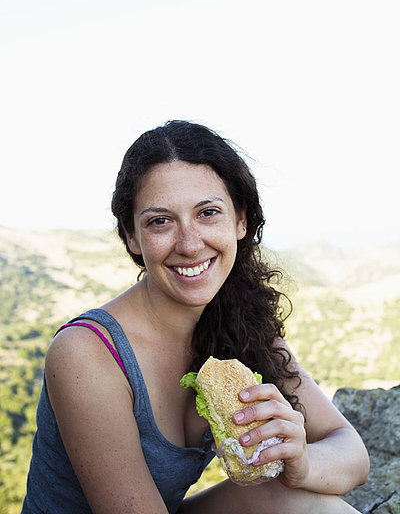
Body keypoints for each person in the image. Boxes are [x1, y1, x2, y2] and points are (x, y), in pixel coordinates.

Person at [22, 120, 369, 514]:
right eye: (160, 221)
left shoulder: (238, 322)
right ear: (132, 237)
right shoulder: (88, 353)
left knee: (304, 502)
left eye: (208, 213)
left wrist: (300, 463)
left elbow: (351, 452)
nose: (189, 244)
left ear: (240, 220)